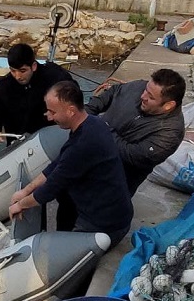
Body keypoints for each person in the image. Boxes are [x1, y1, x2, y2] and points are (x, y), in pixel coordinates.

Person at [8, 81, 133, 244]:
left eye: (52, 112)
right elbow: (58, 164)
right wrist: (26, 190)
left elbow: (51, 188)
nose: (49, 117)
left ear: (71, 111)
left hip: (105, 224)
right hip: (109, 209)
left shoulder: (83, 145)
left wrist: (20, 205)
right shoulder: (94, 123)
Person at [85, 68, 187, 196]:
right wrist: (89, 110)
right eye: (146, 90)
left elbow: (130, 155)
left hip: (113, 184)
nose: (143, 96)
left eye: (150, 97)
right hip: (86, 160)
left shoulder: (169, 134)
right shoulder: (139, 88)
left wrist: (100, 127)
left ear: (168, 105)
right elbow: (116, 91)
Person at [0, 43, 74, 147]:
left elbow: (74, 97)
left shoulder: (55, 76)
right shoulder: (1, 88)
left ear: (33, 66)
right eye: (13, 71)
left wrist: (57, 111)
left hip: (55, 141)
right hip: (19, 147)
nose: (18, 76)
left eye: (22, 71)